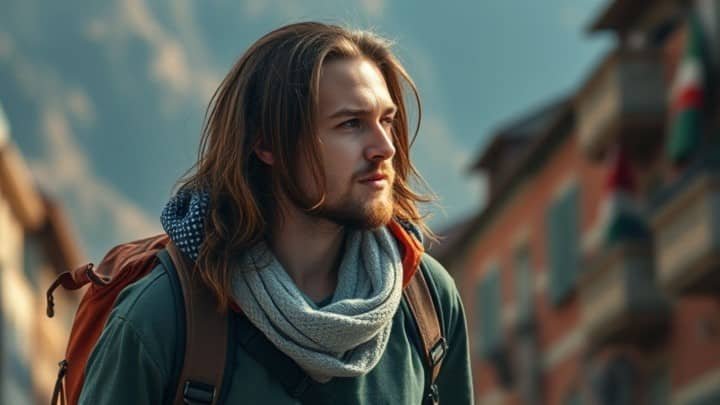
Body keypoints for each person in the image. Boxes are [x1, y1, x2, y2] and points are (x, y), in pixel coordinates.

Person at [79, 22, 473, 404]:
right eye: (351, 123)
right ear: (267, 143)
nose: (385, 147)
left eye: (386, 120)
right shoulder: (161, 318)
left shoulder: (428, 304)